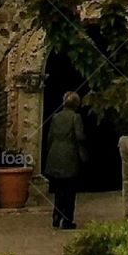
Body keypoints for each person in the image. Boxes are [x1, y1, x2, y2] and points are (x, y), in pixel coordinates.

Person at [43, 91, 86, 229]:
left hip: (55, 156)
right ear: (77, 104)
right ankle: (67, 220)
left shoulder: (55, 117)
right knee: (70, 190)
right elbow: (80, 136)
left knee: (59, 190)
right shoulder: (76, 117)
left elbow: (49, 137)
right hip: (70, 157)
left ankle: (56, 216)